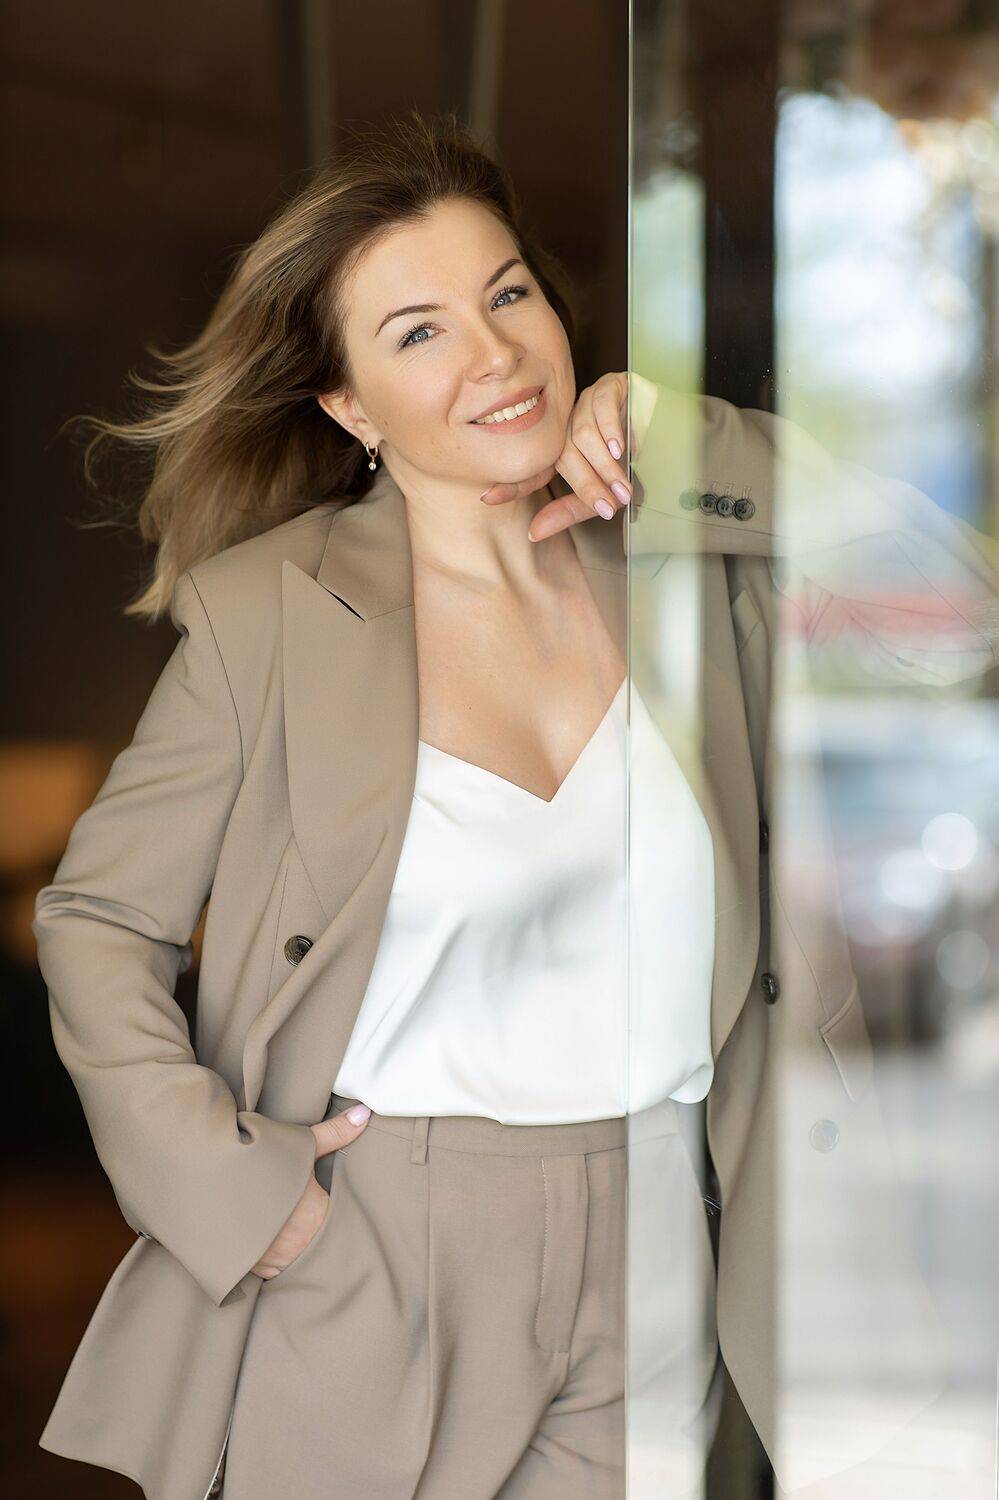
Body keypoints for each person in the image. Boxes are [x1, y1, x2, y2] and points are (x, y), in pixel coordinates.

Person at [33, 108, 999, 1499]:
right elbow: (98, 919)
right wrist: (232, 1187)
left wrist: (702, 442)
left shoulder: (688, 564)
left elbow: (962, 617)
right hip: (372, 1244)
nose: (493, 353)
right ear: (351, 406)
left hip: (668, 1231)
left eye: (508, 295)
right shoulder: (268, 619)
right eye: (419, 331)